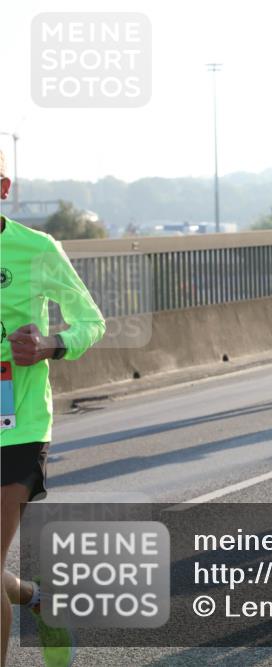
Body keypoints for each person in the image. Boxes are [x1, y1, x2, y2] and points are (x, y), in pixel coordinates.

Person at [1, 148, 106, 667]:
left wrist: (49, 344)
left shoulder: (37, 249)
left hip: (17, 425)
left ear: (3, 188)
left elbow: (92, 322)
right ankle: (38, 599)